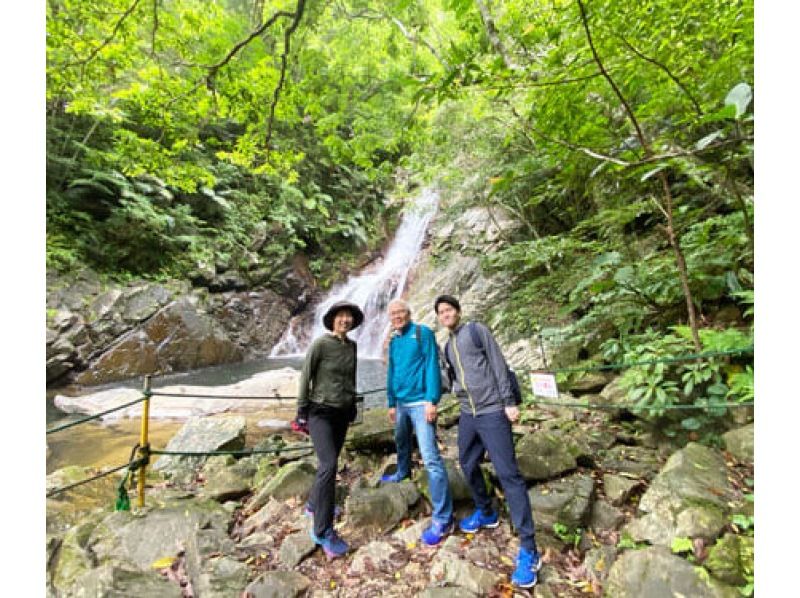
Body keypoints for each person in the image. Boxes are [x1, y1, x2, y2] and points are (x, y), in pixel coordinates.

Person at [434, 294, 542, 588]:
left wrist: (508, 401)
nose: (446, 315)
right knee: (467, 463)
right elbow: (453, 380)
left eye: (449, 310)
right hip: (468, 413)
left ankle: (530, 549)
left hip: (494, 410)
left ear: (458, 311)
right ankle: (486, 510)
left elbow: (497, 363)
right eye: (441, 312)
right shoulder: (446, 347)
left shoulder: (476, 331)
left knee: (509, 475)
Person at [295, 300, 363, 559]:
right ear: (333, 319)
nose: (345, 320)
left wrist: (353, 402)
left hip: (342, 411)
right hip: (320, 411)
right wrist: (301, 410)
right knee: (328, 464)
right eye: (341, 316)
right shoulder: (321, 344)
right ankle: (322, 531)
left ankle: (314, 504)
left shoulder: (353, 346)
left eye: (349, 317)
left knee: (330, 463)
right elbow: (306, 375)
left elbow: (351, 376)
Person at [383, 299, 454, 546]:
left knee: (430, 457)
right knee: (401, 441)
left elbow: (432, 367)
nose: (397, 316)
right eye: (393, 314)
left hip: (421, 403)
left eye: (401, 312)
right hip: (401, 403)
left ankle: (443, 517)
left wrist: (432, 400)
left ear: (408, 313)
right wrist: (391, 402)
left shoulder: (422, 333)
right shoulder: (394, 340)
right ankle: (403, 471)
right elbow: (391, 372)